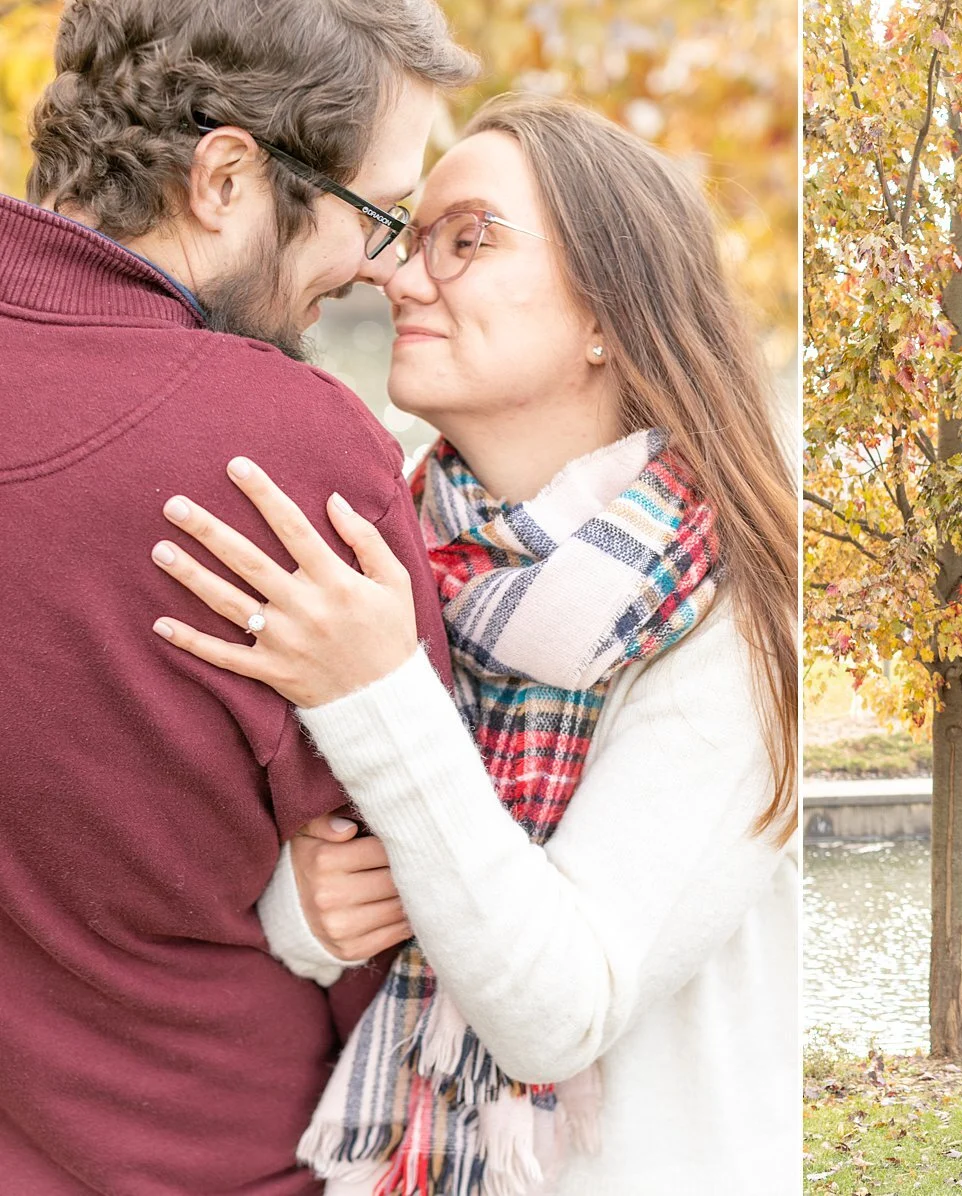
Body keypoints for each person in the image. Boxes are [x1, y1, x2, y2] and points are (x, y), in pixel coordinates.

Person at [149, 94, 800, 1194]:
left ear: (609, 310)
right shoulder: (381, 545)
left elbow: (558, 1008)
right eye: (409, 238)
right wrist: (298, 912)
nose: (397, 276)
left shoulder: (729, 606)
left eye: (469, 238)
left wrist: (380, 688)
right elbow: (321, 856)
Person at [0, 2, 475, 1190]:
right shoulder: (282, 446)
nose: (380, 266)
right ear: (224, 177)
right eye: (373, 214)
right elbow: (426, 909)